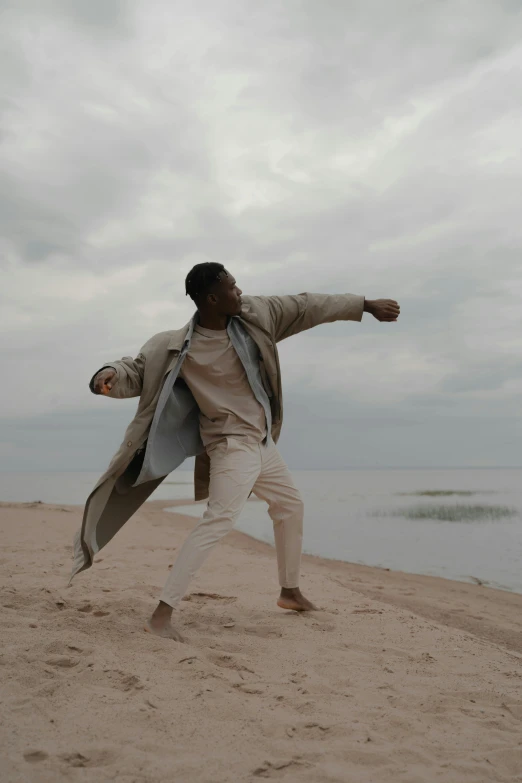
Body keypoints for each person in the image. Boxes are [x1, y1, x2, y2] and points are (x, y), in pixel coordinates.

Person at [75, 262, 400, 641]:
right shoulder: (174, 345)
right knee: (218, 521)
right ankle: (162, 615)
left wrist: (363, 305)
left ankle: (289, 591)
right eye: (231, 287)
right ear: (212, 298)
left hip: (262, 441)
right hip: (231, 445)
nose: (239, 291)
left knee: (290, 506)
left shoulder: (256, 317)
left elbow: (307, 305)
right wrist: (107, 375)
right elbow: (135, 369)